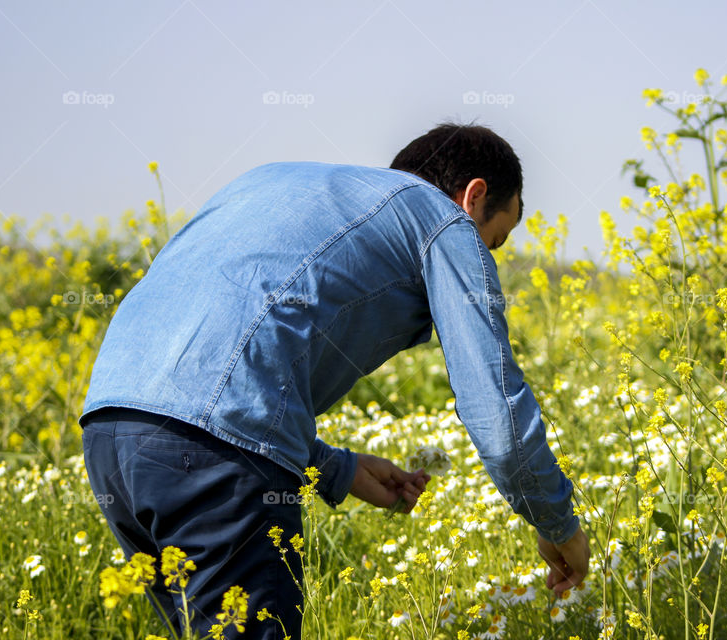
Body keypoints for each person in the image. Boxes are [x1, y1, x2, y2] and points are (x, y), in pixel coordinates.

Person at [80, 122, 591, 639]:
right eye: (495, 239)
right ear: (473, 196)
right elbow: (497, 417)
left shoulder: (268, 180)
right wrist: (558, 526)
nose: (488, 255)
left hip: (109, 432)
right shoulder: (442, 220)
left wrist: (334, 468)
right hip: (216, 455)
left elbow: (216, 366)